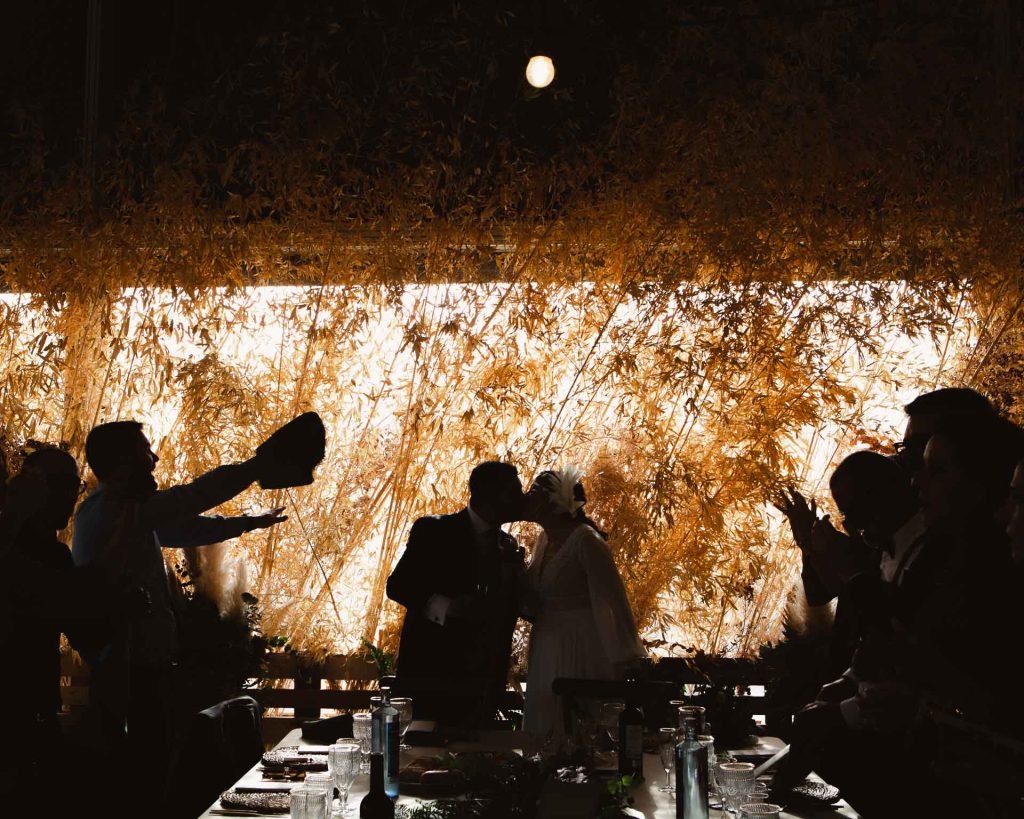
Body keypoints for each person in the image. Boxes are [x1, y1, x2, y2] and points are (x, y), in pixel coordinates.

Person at [71, 420, 291, 799]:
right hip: (127, 677)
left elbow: (186, 528)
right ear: (123, 462)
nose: (154, 458)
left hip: (140, 672)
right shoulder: (109, 511)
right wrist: (256, 468)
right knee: (139, 779)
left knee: (151, 772)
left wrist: (249, 523)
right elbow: (194, 497)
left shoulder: (129, 515)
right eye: (145, 450)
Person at [387, 461, 527, 727]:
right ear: (489, 495)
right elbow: (398, 585)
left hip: (482, 686)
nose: (522, 499)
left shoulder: (507, 545)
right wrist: (448, 607)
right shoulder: (434, 530)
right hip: (430, 675)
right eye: (515, 492)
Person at [520, 466, 646, 739]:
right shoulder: (544, 540)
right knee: (545, 721)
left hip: (580, 644)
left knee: (575, 726)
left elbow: (613, 600)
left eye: (534, 492)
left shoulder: (586, 542)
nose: (527, 498)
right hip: (546, 642)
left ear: (552, 502)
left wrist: (625, 657)